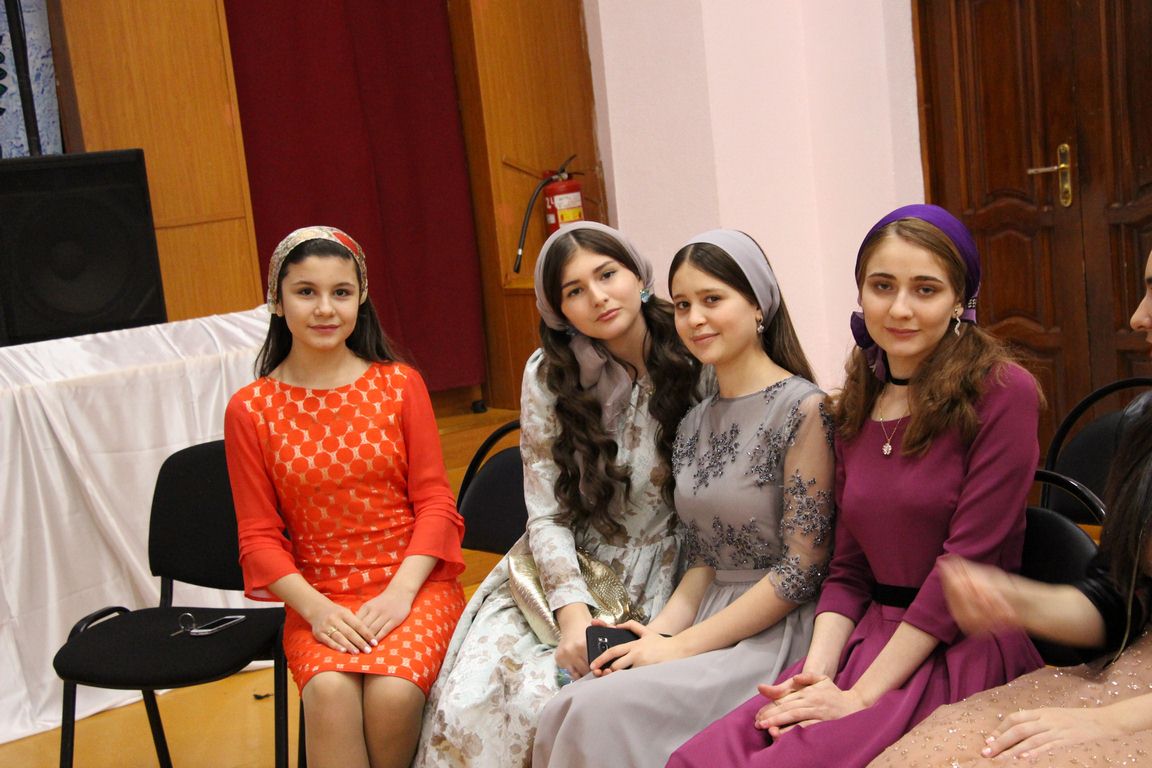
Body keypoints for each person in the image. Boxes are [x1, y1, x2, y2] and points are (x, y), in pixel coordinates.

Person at [668, 204, 1045, 768]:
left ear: (959, 301)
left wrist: (859, 698)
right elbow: (847, 569)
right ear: (861, 294)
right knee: (703, 757)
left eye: (925, 289)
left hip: (957, 650)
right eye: (882, 286)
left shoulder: (1003, 392)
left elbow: (965, 567)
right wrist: (819, 673)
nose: (899, 308)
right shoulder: (857, 401)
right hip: (866, 641)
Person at [531, 229, 835, 767]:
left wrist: (677, 647)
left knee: (596, 712)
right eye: (685, 305)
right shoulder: (693, 418)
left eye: (712, 300)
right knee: (571, 702)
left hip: (774, 631)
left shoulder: (805, 410)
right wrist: (655, 635)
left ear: (759, 305)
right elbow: (702, 557)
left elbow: (801, 571)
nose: (695, 319)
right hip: (702, 614)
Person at [413, 221, 702, 768]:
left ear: (639, 275)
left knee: (574, 705)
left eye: (607, 274)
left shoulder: (694, 351)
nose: (598, 297)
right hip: (566, 571)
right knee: (480, 694)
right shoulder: (550, 373)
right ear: (559, 310)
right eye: (574, 290)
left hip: (673, 573)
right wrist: (572, 615)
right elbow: (546, 514)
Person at [868, 249, 1152, 767]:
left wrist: (1110, 721)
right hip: (1131, 671)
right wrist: (1015, 600)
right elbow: (1119, 604)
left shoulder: (1005, 393)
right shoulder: (1145, 423)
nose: (1137, 316)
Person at [224, 226, 466, 768]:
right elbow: (258, 538)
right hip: (319, 596)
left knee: (393, 693)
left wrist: (400, 594)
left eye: (341, 292)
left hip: (413, 585)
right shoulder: (250, 409)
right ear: (277, 301)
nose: (324, 308)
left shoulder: (400, 385)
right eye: (305, 292)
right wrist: (316, 610)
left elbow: (435, 504)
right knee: (330, 692)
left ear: (361, 298)